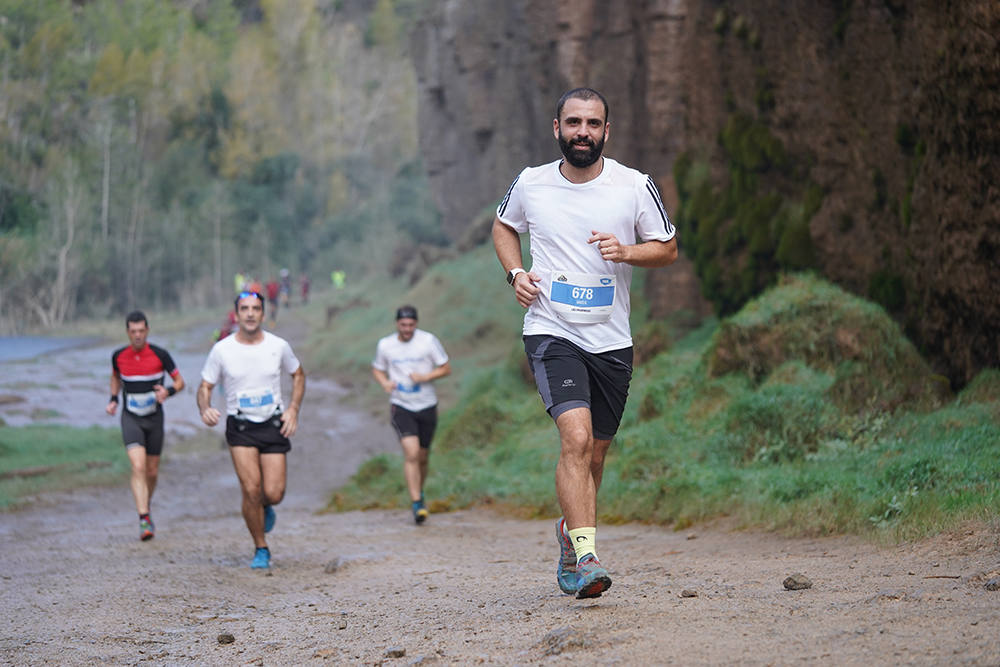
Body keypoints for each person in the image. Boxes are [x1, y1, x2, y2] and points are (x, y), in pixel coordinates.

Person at [491, 87, 678, 599]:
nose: (582, 133)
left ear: (606, 132)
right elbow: (503, 228)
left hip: (612, 338)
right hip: (551, 329)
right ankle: (589, 557)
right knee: (574, 440)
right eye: (573, 123)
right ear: (557, 128)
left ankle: (569, 531)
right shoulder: (531, 183)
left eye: (592, 124)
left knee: (595, 454)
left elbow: (667, 249)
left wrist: (627, 252)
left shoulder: (634, 185)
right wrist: (515, 274)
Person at [196, 291, 306, 569]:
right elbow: (205, 386)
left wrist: (293, 409)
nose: (249, 313)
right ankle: (261, 548)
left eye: (255, 308)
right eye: (244, 308)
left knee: (274, 493)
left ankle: (264, 507)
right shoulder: (222, 349)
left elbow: (298, 374)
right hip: (240, 425)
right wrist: (205, 408)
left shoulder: (278, 346)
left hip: (272, 423)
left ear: (263, 313)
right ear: (236, 314)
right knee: (251, 488)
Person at [106, 311, 186, 541]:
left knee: (151, 471)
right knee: (138, 467)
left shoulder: (161, 355)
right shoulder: (118, 356)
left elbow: (180, 382)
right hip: (131, 418)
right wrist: (113, 399)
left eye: (142, 331)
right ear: (128, 333)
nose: (138, 335)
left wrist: (168, 391)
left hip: (154, 418)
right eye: (133, 332)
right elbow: (115, 377)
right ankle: (144, 518)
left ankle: (146, 507)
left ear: (147, 331)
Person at [371, 305, 451, 524]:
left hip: (426, 405)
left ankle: (419, 491)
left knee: (423, 457)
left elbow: (445, 368)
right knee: (412, 453)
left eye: (411, 325)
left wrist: (425, 377)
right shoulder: (386, 345)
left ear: (416, 324)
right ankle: (416, 503)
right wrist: (385, 382)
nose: (407, 329)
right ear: (397, 323)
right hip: (401, 405)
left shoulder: (428, 341)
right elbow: (377, 369)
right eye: (403, 325)